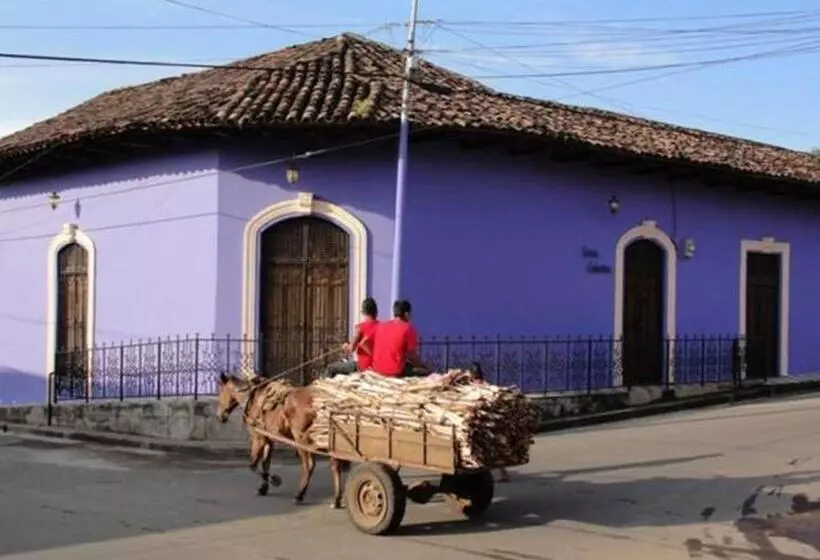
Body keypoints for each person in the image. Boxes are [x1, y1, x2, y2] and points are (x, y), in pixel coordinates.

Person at [468, 362, 511, 483]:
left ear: (472, 374)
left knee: (483, 449)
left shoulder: (473, 387)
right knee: (493, 448)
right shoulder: (487, 385)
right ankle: (503, 473)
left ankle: (482, 475)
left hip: (479, 421)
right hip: (489, 421)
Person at [371, 299, 429, 378]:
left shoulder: (381, 326)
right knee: (424, 372)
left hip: (377, 369)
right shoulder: (408, 329)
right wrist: (424, 366)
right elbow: (411, 355)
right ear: (406, 314)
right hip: (394, 371)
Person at [324, 297, 379, 377]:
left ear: (363, 312)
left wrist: (345, 347)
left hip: (363, 366)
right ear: (376, 312)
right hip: (376, 366)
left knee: (331, 368)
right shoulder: (381, 327)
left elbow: (351, 349)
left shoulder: (360, 328)